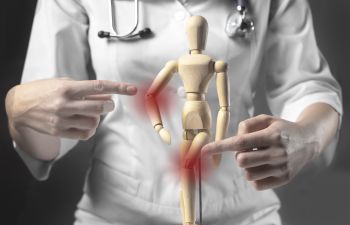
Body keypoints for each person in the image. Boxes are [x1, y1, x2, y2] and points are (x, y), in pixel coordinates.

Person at [5, 0, 342, 224]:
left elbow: (306, 85)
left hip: (242, 211)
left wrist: (308, 136)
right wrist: (18, 111)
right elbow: (49, 123)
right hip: (115, 212)